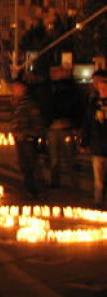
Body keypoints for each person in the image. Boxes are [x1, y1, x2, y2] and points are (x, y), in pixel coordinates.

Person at [45, 66, 84, 189]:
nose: (54, 74)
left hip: (66, 126)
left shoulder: (71, 89)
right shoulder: (49, 88)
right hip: (52, 126)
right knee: (54, 157)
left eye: (57, 71)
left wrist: (75, 124)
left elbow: (77, 107)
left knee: (69, 156)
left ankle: (74, 181)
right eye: (53, 71)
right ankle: (55, 180)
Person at [10, 79, 45, 198]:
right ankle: (28, 189)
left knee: (31, 165)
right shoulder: (17, 103)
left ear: (23, 88)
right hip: (20, 139)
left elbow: (37, 122)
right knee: (24, 165)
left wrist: (27, 133)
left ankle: (34, 190)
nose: (13, 90)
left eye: (15, 87)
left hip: (28, 139)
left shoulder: (29, 103)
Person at [82, 70, 107, 207]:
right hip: (97, 145)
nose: (102, 90)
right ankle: (98, 201)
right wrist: (84, 142)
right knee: (98, 178)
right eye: (101, 88)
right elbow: (87, 123)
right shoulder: (93, 104)